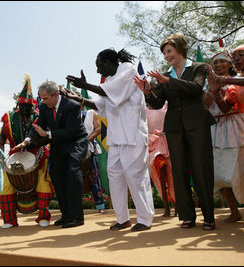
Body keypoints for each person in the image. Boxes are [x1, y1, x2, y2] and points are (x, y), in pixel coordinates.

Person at [65, 48, 155, 232]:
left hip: (133, 135)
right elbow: (101, 105)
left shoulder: (127, 70)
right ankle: (123, 219)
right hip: (116, 138)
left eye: (99, 66)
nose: (98, 71)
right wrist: (80, 99)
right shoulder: (110, 81)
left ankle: (145, 219)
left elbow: (110, 93)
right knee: (114, 176)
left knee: (135, 176)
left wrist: (86, 85)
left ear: (109, 62)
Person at [134, 33, 216, 230]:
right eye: (164, 53)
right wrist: (147, 91)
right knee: (178, 171)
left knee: (201, 169)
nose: (166, 55)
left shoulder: (198, 67)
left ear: (180, 49)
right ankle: (187, 216)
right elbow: (158, 103)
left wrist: (168, 81)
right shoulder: (165, 75)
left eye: (169, 51)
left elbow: (196, 88)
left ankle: (209, 217)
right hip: (174, 128)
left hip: (197, 124)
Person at [13, 80, 88, 229]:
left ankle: (77, 217)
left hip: (75, 143)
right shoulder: (44, 107)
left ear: (55, 95)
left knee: (72, 173)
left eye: (46, 98)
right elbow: (37, 126)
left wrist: (47, 133)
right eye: (41, 98)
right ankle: (66, 215)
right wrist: (26, 141)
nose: (43, 101)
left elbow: (71, 131)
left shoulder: (72, 106)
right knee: (56, 175)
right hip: (58, 144)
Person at [0, 74, 54, 228]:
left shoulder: (39, 116)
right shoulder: (9, 117)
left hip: (38, 156)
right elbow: (2, 137)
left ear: (34, 105)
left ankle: (43, 217)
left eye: (30, 106)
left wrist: (33, 142)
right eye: (23, 106)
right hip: (14, 157)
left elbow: (45, 137)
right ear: (18, 105)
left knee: (43, 184)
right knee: (7, 187)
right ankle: (9, 220)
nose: (27, 109)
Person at [204, 51, 244, 223]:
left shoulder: (234, 83)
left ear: (229, 65)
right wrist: (209, 90)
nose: (218, 65)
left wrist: (216, 90)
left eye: (222, 61)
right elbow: (205, 106)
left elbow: (225, 108)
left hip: (236, 127)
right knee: (219, 173)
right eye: (215, 63)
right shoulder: (208, 85)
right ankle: (234, 211)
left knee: (240, 171)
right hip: (215, 129)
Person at [146, 102, 176, 217]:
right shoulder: (144, 109)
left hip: (167, 141)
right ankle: (166, 206)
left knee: (172, 174)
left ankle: (177, 205)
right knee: (159, 175)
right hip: (153, 144)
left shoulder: (166, 104)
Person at [79, 95, 105, 214]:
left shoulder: (91, 113)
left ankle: (100, 205)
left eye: (78, 101)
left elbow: (98, 129)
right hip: (76, 150)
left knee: (94, 176)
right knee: (75, 178)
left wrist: (87, 140)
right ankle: (76, 206)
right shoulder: (70, 114)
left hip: (90, 148)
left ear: (82, 102)